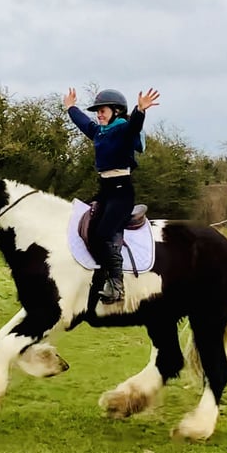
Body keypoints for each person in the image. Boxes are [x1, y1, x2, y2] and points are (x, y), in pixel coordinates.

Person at [63, 86, 160, 304]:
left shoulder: (123, 129)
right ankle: (97, 276)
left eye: (102, 111)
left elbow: (135, 125)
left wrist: (140, 110)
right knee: (87, 229)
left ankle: (117, 285)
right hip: (105, 190)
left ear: (116, 111)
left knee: (104, 233)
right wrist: (70, 107)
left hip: (121, 193)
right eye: (97, 112)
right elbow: (83, 122)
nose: (98, 115)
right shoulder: (100, 132)